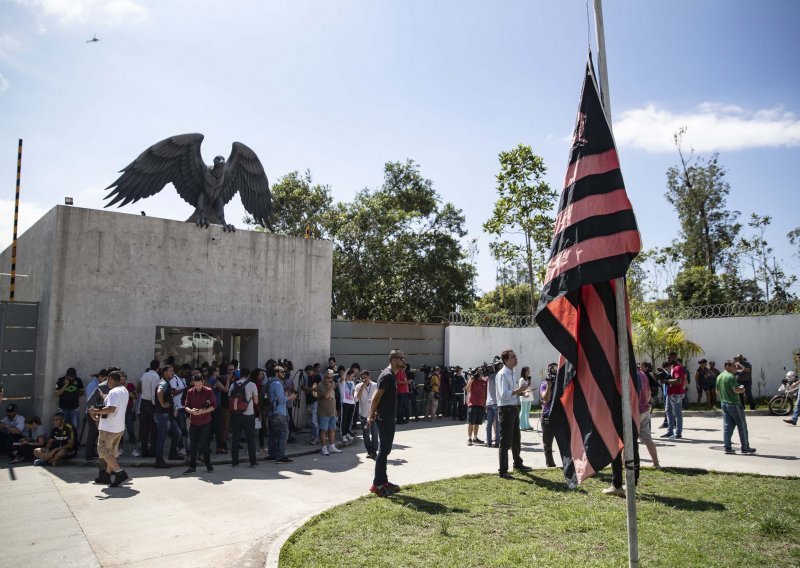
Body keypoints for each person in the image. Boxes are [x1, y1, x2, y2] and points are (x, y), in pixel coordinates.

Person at [367, 349, 404, 497]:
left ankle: (384, 481)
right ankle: (377, 485)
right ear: (394, 359)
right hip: (385, 418)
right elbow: (376, 397)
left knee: (385, 450)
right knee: (383, 451)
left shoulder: (392, 375)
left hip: (388, 417)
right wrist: (370, 416)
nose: (403, 361)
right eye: (401, 358)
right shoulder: (387, 375)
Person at [88, 371, 130, 486]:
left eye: (107, 380)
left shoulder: (114, 392)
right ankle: (106, 475)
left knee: (102, 451)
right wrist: (105, 398)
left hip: (109, 428)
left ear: (111, 379)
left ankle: (120, 472)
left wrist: (95, 411)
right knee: (111, 453)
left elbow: (111, 409)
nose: (107, 383)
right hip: (119, 427)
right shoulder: (124, 390)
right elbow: (114, 404)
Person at [495, 349, 532, 479]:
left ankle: (517, 463)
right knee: (505, 441)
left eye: (515, 356)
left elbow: (512, 392)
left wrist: (521, 392)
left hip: (513, 408)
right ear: (506, 360)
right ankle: (503, 471)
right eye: (513, 357)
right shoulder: (502, 374)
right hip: (506, 410)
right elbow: (504, 395)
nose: (516, 358)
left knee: (516, 438)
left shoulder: (512, 372)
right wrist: (520, 390)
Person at [717, 360, 756, 454]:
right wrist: (742, 390)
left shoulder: (720, 376)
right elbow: (736, 390)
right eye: (734, 367)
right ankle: (745, 447)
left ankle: (727, 447)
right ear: (728, 366)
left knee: (727, 426)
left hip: (724, 403)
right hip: (734, 404)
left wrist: (725, 396)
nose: (736, 369)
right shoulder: (731, 377)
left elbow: (717, 391)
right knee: (742, 425)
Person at [184, 370, 216, 474]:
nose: (197, 386)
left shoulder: (208, 391)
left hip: (205, 422)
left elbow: (213, 406)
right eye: (195, 385)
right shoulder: (190, 392)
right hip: (193, 421)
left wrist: (203, 411)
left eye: (199, 384)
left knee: (204, 444)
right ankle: (192, 467)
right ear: (193, 383)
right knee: (193, 445)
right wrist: (191, 411)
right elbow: (186, 406)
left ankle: (208, 465)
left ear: (202, 382)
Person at [229, 369, 260, 467]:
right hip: (248, 414)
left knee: (235, 438)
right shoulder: (252, 385)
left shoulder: (233, 384)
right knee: (251, 439)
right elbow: (256, 402)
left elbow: (230, 398)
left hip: (235, 414)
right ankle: (253, 462)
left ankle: (235, 461)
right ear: (248, 375)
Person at [267, 366, 296, 463]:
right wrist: (291, 397)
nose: (284, 373)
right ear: (276, 373)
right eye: (282, 372)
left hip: (271, 412)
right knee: (284, 433)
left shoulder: (270, 382)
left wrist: (285, 395)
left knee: (273, 435)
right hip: (279, 413)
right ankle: (280, 456)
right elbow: (281, 400)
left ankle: (272, 454)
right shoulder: (277, 384)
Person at [153, 366, 181, 468]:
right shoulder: (163, 383)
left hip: (168, 415)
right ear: (164, 372)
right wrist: (163, 404)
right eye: (171, 371)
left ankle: (172, 454)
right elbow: (159, 391)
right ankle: (159, 461)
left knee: (177, 433)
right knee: (161, 438)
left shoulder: (167, 382)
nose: (173, 373)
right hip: (162, 415)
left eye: (173, 371)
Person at [314, 369, 342, 455]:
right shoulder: (320, 385)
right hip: (323, 412)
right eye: (327, 377)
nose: (329, 379)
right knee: (324, 430)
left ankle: (332, 446)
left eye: (331, 378)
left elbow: (333, 398)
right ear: (324, 377)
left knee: (332, 429)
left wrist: (335, 410)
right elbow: (326, 396)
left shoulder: (331, 384)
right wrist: (332, 386)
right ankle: (323, 448)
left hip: (332, 411)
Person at [137, 360, 160, 458]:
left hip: (143, 402)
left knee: (144, 429)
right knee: (154, 429)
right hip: (151, 403)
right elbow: (154, 392)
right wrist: (155, 405)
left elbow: (140, 388)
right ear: (158, 367)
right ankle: (152, 451)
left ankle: (143, 451)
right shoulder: (156, 377)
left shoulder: (144, 375)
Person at [354, 370, 379, 459]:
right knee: (366, 434)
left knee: (375, 433)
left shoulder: (375, 385)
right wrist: (362, 387)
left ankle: (374, 451)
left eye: (365, 377)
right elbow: (356, 399)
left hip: (374, 414)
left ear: (369, 377)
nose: (364, 379)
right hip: (364, 415)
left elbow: (379, 399)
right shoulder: (358, 386)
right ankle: (369, 451)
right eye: (362, 378)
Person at [661, 353, 685, 440]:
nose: (667, 359)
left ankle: (678, 433)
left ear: (674, 357)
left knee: (677, 413)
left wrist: (666, 381)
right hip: (670, 393)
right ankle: (670, 431)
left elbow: (678, 381)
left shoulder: (678, 368)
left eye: (669, 357)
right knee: (668, 412)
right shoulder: (672, 368)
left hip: (676, 394)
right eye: (667, 357)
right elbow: (671, 379)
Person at [54, 367, 84, 431]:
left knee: (74, 426)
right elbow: (57, 394)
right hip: (63, 408)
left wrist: (76, 394)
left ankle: (74, 440)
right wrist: (66, 384)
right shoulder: (60, 381)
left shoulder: (78, 380)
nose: (72, 378)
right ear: (67, 375)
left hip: (74, 407)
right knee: (62, 426)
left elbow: (82, 391)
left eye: (73, 376)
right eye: (71, 377)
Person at [540, 363, 557, 468]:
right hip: (547, 415)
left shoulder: (561, 382)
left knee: (566, 443)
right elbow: (545, 399)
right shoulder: (544, 383)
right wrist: (549, 386)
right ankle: (550, 464)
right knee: (548, 443)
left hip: (559, 415)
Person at [465, 368, 487, 446]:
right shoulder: (473, 381)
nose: (481, 373)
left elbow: (485, 393)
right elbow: (467, 390)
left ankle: (475, 438)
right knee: (471, 423)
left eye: (481, 371)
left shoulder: (484, 381)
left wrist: (485, 403)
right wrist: (471, 379)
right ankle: (469, 438)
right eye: (479, 372)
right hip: (472, 405)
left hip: (481, 405)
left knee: (477, 423)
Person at [302, 365, 321, 445]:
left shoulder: (317, 377)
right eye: (307, 373)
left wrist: (308, 389)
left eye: (309, 373)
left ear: (312, 370)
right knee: (310, 421)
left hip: (315, 401)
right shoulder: (308, 378)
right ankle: (313, 437)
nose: (308, 374)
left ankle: (316, 438)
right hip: (309, 401)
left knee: (314, 420)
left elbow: (320, 388)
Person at [485, 363, 500, 448]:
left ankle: (488, 442)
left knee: (489, 423)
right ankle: (497, 442)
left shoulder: (488, 378)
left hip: (489, 402)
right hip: (496, 402)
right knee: (497, 423)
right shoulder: (497, 376)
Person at [339, 368, 357, 441]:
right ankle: (343, 435)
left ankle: (347, 433)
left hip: (351, 403)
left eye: (353, 376)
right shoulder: (342, 381)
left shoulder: (352, 383)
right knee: (344, 419)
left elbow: (353, 392)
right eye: (351, 376)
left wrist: (354, 401)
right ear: (347, 375)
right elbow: (342, 378)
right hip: (344, 402)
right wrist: (346, 370)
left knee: (349, 419)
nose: (352, 377)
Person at [518, 366, 534, 431]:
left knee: (527, 411)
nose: (528, 372)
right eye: (527, 371)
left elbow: (529, 387)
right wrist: (528, 385)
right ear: (524, 372)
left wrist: (530, 384)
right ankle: (521, 425)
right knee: (523, 411)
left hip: (529, 396)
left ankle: (527, 425)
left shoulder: (528, 379)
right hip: (524, 397)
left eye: (529, 371)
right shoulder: (522, 379)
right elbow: (521, 388)